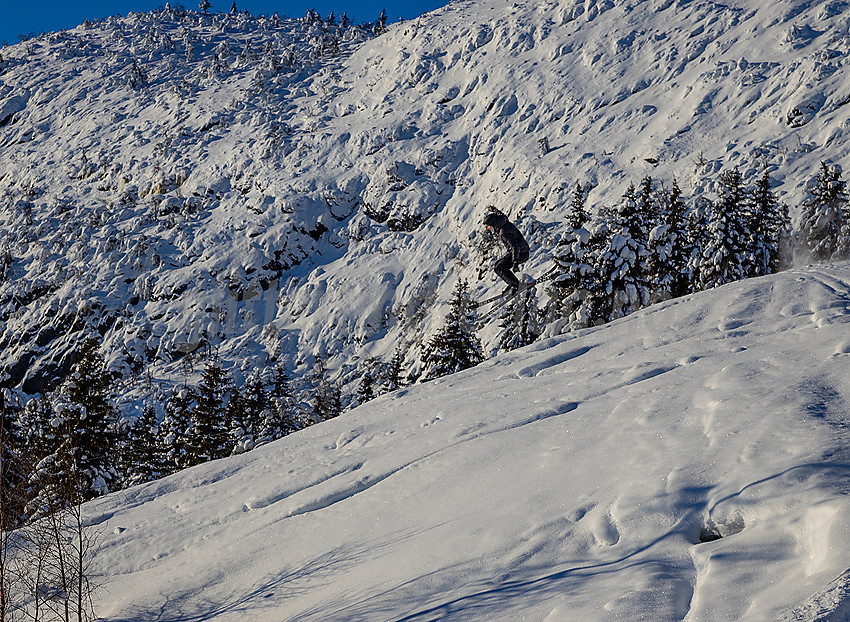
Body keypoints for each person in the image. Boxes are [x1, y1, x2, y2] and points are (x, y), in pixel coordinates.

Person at [483, 208, 530, 295]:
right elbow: (502, 216)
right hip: (522, 251)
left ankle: (515, 284)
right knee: (497, 265)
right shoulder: (503, 223)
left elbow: (515, 246)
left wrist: (515, 262)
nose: (488, 228)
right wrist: (495, 210)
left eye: (488, 226)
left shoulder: (503, 232)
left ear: (493, 224)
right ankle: (512, 282)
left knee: (499, 267)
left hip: (521, 253)